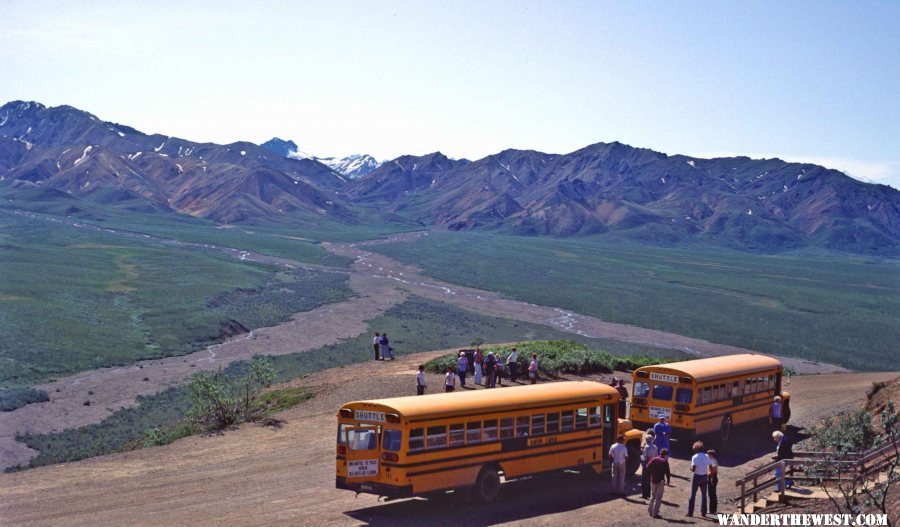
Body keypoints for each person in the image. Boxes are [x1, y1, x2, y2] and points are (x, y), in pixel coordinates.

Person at [687, 440, 711, 517]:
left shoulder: (694, 457)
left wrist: (690, 468)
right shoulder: (706, 456)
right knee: (704, 495)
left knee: (693, 494)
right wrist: (709, 473)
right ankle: (703, 512)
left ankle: (690, 512)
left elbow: (693, 469)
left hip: (697, 476)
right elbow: (711, 466)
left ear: (695, 449)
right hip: (704, 476)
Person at [646, 448, 671, 518]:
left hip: (653, 480)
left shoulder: (654, 459)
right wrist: (668, 481)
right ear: (665, 455)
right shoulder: (665, 461)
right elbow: (668, 473)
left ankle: (650, 510)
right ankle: (655, 513)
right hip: (660, 481)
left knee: (652, 496)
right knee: (658, 498)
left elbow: (647, 467)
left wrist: (652, 472)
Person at [641, 429, 658, 499]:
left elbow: (644, 456)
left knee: (644, 479)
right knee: (649, 479)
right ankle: (648, 494)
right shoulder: (655, 447)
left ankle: (644, 494)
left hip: (646, 463)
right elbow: (656, 456)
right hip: (652, 464)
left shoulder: (646, 447)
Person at [707, 449, 719, 514]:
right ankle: (712, 510)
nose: (707, 455)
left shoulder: (713, 461)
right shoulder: (712, 460)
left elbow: (713, 469)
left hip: (712, 478)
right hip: (712, 478)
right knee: (711, 494)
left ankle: (713, 510)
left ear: (711, 454)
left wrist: (708, 475)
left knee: (712, 494)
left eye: (708, 454)